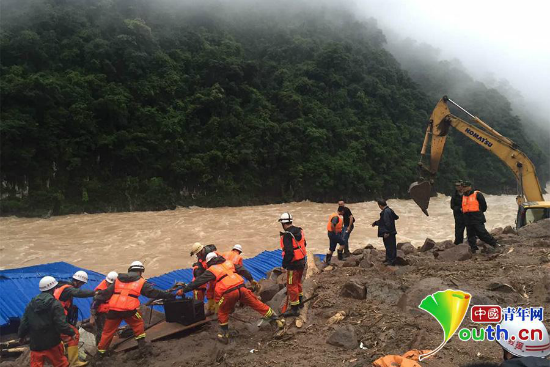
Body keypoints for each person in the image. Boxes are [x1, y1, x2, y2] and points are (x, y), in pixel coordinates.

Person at [178, 252, 279, 344]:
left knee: (222, 311)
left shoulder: (212, 270)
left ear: (209, 262)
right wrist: (251, 280)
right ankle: (276, 320)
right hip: (241, 287)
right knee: (256, 303)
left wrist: (183, 290)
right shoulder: (229, 263)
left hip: (228, 292)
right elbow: (243, 270)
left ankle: (224, 335)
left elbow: (198, 281)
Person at [93, 261, 176, 358]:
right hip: (130, 311)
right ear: (140, 272)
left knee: (107, 332)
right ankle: (143, 348)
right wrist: (169, 295)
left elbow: (106, 294)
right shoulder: (141, 282)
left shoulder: (118, 280)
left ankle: (99, 355)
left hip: (113, 310)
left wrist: (96, 301)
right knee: (138, 323)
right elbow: (153, 293)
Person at [18, 276, 75, 367]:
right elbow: (61, 324)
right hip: (53, 343)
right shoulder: (55, 304)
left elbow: (24, 322)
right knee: (61, 363)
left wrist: (21, 336)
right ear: (54, 289)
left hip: (36, 344)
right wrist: (72, 333)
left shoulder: (31, 304)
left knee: (36, 365)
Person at [53, 270, 96, 367]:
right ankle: (74, 362)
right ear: (78, 282)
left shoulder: (60, 286)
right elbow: (78, 293)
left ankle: (63, 355)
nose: (81, 286)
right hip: (57, 319)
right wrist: (94, 293)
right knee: (74, 334)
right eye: (82, 284)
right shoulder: (69, 289)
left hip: (53, 318)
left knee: (59, 338)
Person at [278, 212, 307, 317]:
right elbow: (304, 244)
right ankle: (300, 303)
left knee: (291, 285)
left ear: (283, 223)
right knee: (298, 282)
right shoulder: (300, 230)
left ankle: (294, 309)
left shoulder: (287, 235)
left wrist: (284, 265)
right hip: (302, 261)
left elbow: (289, 252)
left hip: (293, 264)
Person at [461, 181, 499, 253]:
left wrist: (478, 212)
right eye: (463, 187)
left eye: (465, 187)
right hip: (468, 218)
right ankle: (473, 249)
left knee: (482, 233)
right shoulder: (463, 196)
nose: (463, 188)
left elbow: (484, 206)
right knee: (470, 235)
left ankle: (495, 244)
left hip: (477, 218)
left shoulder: (477, 194)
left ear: (469, 187)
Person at [90, 271, 118, 345]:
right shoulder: (101, 290)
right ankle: (100, 346)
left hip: (110, 311)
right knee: (102, 330)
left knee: (111, 329)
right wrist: (92, 316)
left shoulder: (113, 286)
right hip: (101, 313)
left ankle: (109, 344)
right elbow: (94, 303)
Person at [371, 199, 399, 266]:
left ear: (380, 205)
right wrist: (375, 223)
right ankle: (389, 259)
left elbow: (387, 223)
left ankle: (391, 261)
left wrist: (387, 232)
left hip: (388, 232)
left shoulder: (385, 212)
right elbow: (396, 217)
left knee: (389, 247)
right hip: (392, 231)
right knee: (391, 246)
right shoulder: (389, 210)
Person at [451, 180, 466, 245]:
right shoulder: (454, 195)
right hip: (458, 215)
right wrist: (459, 208)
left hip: (467, 214)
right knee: (458, 230)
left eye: (458, 186)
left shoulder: (467, 194)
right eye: (456, 185)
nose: (456, 187)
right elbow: (452, 206)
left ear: (462, 186)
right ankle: (458, 243)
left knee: (470, 229)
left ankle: (471, 243)